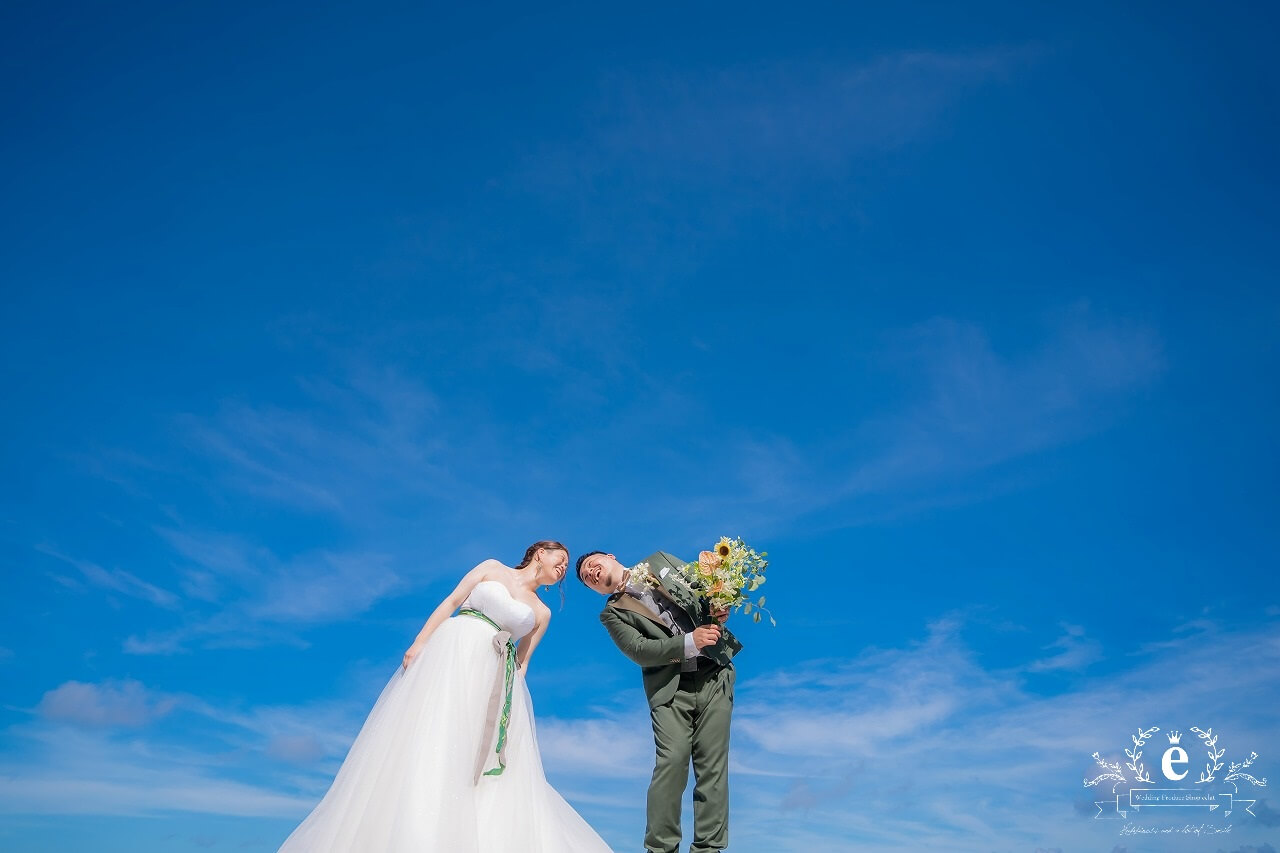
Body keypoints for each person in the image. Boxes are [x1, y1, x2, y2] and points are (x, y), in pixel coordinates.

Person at [279, 541, 612, 853]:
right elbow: (452, 602)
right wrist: (419, 643)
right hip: (453, 650)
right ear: (539, 552)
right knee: (432, 729)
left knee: (472, 750)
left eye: (568, 566)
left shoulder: (541, 612)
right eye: (561, 558)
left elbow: (523, 663)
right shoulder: (492, 568)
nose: (564, 566)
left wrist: (509, 704)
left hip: (494, 675)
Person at [577, 549, 742, 853]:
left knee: (712, 767)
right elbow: (639, 650)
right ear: (594, 589)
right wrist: (689, 642)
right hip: (670, 690)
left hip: (714, 674)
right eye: (587, 578)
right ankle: (661, 849)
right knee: (671, 762)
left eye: (591, 565)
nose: (591, 573)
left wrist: (721, 606)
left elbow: (706, 589)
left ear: (611, 557)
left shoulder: (661, 562)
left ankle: (708, 849)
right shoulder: (612, 613)